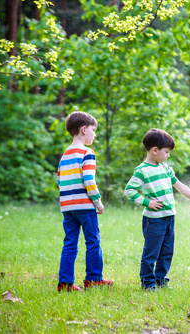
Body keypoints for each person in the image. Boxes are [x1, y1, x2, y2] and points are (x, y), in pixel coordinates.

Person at [124, 128, 190, 291]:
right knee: (151, 253)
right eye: (167, 152)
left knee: (167, 251)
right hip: (154, 220)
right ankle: (148, 284)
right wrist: (147, 202)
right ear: (155, 150)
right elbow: (129, 190)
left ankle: (160, 279)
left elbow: (180, 186)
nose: (168, 155)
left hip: (169, 217)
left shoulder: (165, 168)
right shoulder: (142, 171)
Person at [56, 111, 114, 292]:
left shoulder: (65, 155)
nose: (94, 134)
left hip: (67, 207)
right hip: (85, 205)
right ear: (83, 129)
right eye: (93, 130)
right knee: (93, 242)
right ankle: (94, 279)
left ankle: (65, 283)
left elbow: (59, 180)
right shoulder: (87, 153)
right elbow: (89, 181)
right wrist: (98, 202)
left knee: (70, 243)